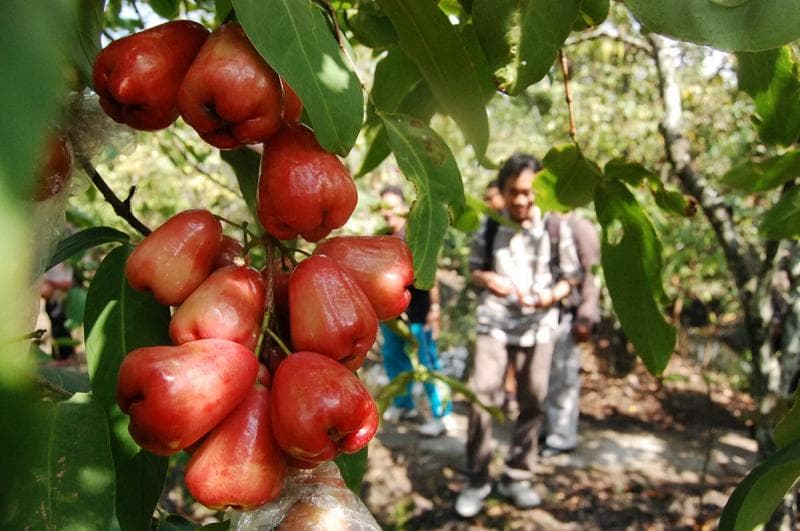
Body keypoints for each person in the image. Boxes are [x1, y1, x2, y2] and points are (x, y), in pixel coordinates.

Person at [455, 154, 580, 517]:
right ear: (503, 190)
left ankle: (518, 476)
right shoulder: (490, 224)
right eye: (514, 192)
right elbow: (474, 269)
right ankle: (477, 479)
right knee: (481, 398)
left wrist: (547, 297)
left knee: (533, 400)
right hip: (493, 322)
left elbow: (571, 276)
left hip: (539, 326)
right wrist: (489, 279)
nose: (522, 200)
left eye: (528, 192)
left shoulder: (554, 226)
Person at [378, 185, 455, 438]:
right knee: (393, 357)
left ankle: (441, 414)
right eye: (383, 207)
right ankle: (404, 405)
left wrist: (435, 310)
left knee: (427, 363)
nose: (387, 212)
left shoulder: (416, 233)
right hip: (392, 316)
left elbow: (431, 271)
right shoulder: (384, 237)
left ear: (403, 206)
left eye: (391, 206)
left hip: (418, 313)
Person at [540, 212, 601, 457]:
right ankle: (546, 429)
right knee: (544, 377)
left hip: (568, 313)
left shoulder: (580, 227)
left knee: (564, 378)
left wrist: (586, 316)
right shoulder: (544, 220)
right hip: (544, 313)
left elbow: (592, 274)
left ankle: (562, 436)